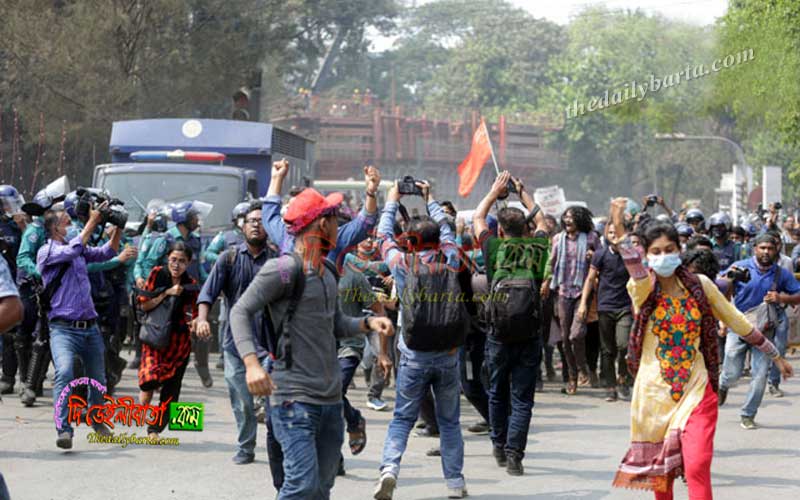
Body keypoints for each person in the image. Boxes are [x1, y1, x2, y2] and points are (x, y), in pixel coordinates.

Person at [608, 198, 792, 500]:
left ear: (680, 252)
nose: (663, 256)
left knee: (697, 465)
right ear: (647, 255)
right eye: (656, 252)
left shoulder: (701, 285)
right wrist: (617, 222)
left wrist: (776, 356)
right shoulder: (642, 289)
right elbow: (631, 261)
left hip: (696, 389)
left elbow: (738, 322)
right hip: (654, 394)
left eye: (669, 250)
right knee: (662, 479)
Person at [230, 187, 393, 500]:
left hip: (330, 401)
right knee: (301, 486)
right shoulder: (282, 269)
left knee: (321, 488)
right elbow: (240, 311)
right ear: (322, 225)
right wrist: (251, 364)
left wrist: (367, 323)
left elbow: (334, 325)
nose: (338, 225)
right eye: (335, 218)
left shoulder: (329, 271)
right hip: (293, 399)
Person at [374, 180, 472, 500]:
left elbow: (383, 236)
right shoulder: (451, 259)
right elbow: (447, 230)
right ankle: (455, 483)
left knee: (402, 416)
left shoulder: (402, 263)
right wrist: (429, 200)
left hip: (413, 351)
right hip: (447, 353)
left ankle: (390, 469)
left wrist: (391, 199)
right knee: (449, 421)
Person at [473, 171, 547, 476]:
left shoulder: (493, 250)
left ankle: (498, 444)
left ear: (500, 231)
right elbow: (542, 222)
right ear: (526, 230)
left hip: (498, 334)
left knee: (497, 391)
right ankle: (515, 454)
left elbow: (478, 217)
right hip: (529, 334)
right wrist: (522, 192)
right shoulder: (538, 248)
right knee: (522, 398)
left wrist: (494, 192)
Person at [195, 204, 280, 467]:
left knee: (275, 403)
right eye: (251, 221)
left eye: (261, 220)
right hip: (234, 344)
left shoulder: (279, 260)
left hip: (270, 344)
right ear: (241, 227)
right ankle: (246, 446)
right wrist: (201, 319)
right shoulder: (228, 258)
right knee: (242, 401)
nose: (256, 224)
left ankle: (279, 449)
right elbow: (208, 293)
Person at [38, 203, 121, 449]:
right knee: (64, 372)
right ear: (55, 228)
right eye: (66, 221)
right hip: (63, 328)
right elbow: (74, 248)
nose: (71, 224)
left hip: (90, 327)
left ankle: (96, 418)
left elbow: (108, 251)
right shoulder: (47, 251)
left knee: (98, 378)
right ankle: (64, 429)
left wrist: (118, 226)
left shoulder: (79, 248)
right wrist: (93, 221)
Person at [718, 233, 800, 429]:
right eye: (762, 248)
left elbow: (798, 294)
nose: (766, 252)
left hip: (765, 331)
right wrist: (728, 280)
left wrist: (782, 298)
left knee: (760, 374)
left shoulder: (782, 274)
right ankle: (723, 385)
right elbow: (719, 287)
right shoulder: (741, 266)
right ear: (755, 248)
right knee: (732, 373)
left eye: (770, 248)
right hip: (738, 326)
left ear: (776, 251)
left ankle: (748, 414)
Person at [140, 200, 213, 388]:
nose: (198, 220)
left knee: (200, 333)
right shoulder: (165, 239)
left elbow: (201, 268)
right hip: (166, 302)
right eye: (194, 217)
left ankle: (201, 367)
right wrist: (158, 292)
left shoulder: (196, 240)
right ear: (184, 219)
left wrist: (209, 287)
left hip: (190, 296)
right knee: (152, 376)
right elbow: (150, 266)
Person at [137, 242, 199, 439]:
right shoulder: (157, 273)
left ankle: (154, 430)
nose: (176, 264)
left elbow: (196, 312)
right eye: (173, 259)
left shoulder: (191, 283)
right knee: (149, 381)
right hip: (154, 337)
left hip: (179, 343)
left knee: (172, 391)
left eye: (182, 261)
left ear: (188, 263)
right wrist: (166, 293)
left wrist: (198, 323)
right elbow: (144, 305)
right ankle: (141, 411)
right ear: (167, 259)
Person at [541, 205, 599, 394]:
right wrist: (546, 282)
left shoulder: (591, 238)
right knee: (565, 338)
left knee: (577, 334)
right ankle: (573, 377)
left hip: (583, 293)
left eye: (572, 217)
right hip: (563, 292)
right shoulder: (558, 239)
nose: (567, 220)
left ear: (580, 220)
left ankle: (583, 368)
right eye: (565, 217)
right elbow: (551, 262)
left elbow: (602, 259)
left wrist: (593, 256)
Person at [578, 220, 632, 401]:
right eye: (611, 233)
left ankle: (623, 378)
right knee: (607, 350)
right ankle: (610, 386)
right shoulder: (600, 255)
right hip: (605, 307)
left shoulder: (631, 256)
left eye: (618, 233)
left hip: (625, 306)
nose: (615, 237)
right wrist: (583, 303)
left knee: (624, 345)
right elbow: (590, 279)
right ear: (606, 236)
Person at [203, 201, 249, 371]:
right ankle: (224, 355)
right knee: (225, 320)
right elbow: (207, 253)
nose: (247, 222)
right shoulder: (225, 236)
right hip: (230, 286)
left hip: (251, 285)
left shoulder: (255, 237)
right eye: (243, 218)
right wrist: (227, 260)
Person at [0, 185, 25, 395]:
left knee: (17, 335)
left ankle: (17, 378)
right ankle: (7, 376)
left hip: (16, 284)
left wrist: (24, 226)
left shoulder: (17, 227)